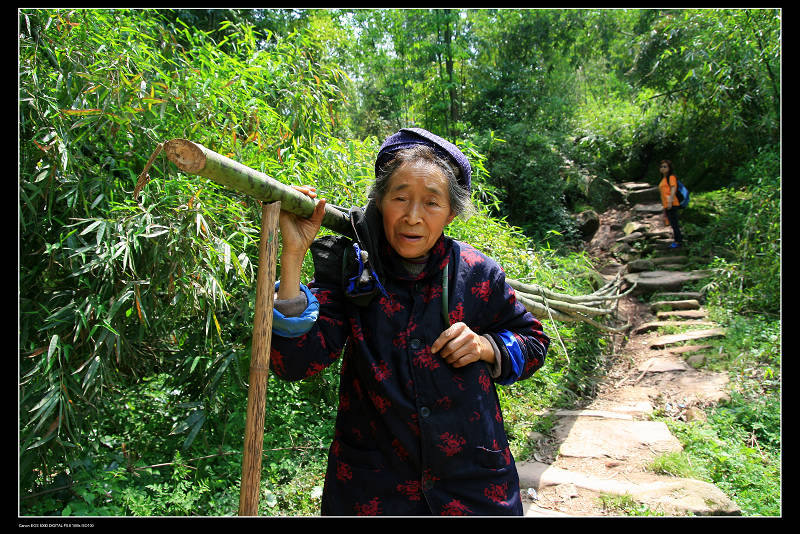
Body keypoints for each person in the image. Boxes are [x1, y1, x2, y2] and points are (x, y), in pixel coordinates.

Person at [269, 127, 550, 516]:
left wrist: (487, 346)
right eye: (400, 197)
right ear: (380, 202)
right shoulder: (354, 272)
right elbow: (295, 362)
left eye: (432, 203)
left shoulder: (477, 274)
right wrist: (293, 256)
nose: (413, 217)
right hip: (374, 492)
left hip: (472, 489)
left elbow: (534, 342)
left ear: (452, 212)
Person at [658, 159, 683, 248]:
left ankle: (678, 242)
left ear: (669, 168)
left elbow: (673, 189)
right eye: (661, 167)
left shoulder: (671, 177)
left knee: (674, 223)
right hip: (667, 205)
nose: (663, 168)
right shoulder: (664, 179)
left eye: (665, 166)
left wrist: (670, 202)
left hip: (672, 204)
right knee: (672, 223)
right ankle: (677, 240)